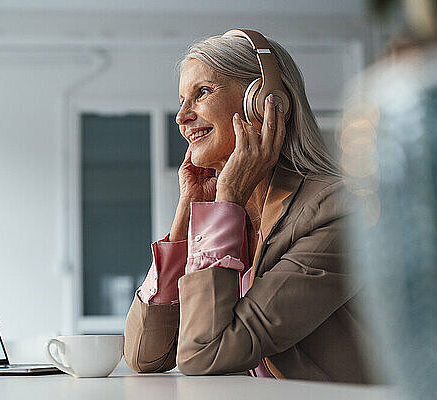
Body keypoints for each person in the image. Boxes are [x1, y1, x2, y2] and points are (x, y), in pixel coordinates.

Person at [123, 30, 374, 383]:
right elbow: (143, 355)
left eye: (202, 93)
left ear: (264, 102)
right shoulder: (229, 219)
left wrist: (225, 204)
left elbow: (202, 355)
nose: (181, 117)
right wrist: (184, 219)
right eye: (181, 100)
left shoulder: (337, 211)